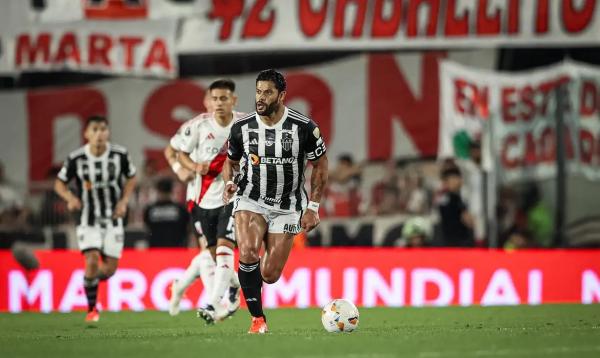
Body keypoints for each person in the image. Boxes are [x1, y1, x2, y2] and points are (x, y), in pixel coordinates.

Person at [222, 69, 329, 333]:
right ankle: (258, 320)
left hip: (288, 206)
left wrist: (313, 207)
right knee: (247, 253)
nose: (260, 97)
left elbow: (321, 164)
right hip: (251, 199)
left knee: (269, 274)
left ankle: (241, 283)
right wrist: (229, 182)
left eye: (267, 92)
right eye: (258, 91)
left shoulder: (304, 127)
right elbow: (230, 162)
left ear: (282, 95)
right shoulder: (241, 128)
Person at [168, 80, 244, 318]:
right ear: (208, 101)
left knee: (224, 252)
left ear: (234, 100)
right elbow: (177, 151)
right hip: (201, 199)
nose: (219, 103)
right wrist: (188, 166)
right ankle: (232, 285)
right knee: (211, 256)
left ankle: (212, 304)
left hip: (232, 199)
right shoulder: (197, 126)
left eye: (224, 98)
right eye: (215, 99)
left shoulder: (246, 124)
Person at [54, 115, 137, 322]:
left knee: (109, 271)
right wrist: (70, 197)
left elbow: (132, 177)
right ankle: (92, 309)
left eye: (103, 129)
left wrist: (124, 201)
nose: (99, 134)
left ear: (108, 132)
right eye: (95, 130)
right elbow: (59, 183)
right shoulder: (76, 158)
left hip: (113, 219)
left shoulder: (120, 155)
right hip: (87, 218)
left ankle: (88, 280)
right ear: (87, 134)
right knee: (91, 259)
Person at [143, 177, 189, 248]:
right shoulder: (180, 209)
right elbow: (187, 228)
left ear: (158, 191)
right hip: (177, 251)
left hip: (155, 251)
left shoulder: (150, 210)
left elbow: (146, 228)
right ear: (172, 191)